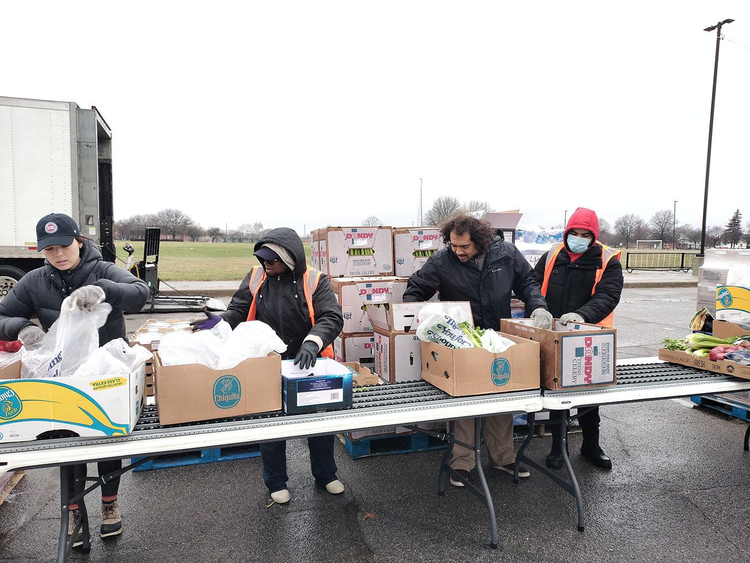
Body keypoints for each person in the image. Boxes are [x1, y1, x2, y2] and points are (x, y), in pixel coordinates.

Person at [0, 213, 149, 546]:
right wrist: (21, 328)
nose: (58, 254)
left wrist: (103, 291)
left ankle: (109, 504)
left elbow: (140, 292)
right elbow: (3, 314)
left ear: (79, 241)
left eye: (64, 245)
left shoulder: (102, 269)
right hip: (64, 378)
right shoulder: (36, 281)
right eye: (49, 249)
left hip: (106, 375)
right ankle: (74, 511)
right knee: (68, 444)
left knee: (107, 440)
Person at [191, 227, 344, 504]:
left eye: (271, 261)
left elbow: (331, 316)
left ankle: (326, 474)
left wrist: (313, 342)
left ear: (289, 260)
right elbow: (239, 309)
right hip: (266, 362)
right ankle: (275, 481)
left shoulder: (315, 280)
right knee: (270, 423)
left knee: (319, 420)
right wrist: (221, 320)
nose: (266, 265)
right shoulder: (256, 276)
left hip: (307, 360)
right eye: (263, 260)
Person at [403, 213, 552, 487]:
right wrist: (416, 316)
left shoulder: (505, 254)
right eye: (453, 245)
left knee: (501, 392)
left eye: (464, 247)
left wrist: (538, 305)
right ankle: (462, 463)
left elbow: (528, 281)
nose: (458, 251)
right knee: (465, 400)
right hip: (461, 341)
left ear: (480, 242)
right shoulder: (442, 260)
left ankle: (503, 457)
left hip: (498, 337)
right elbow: (416, 289)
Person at [532, 207, 623, 470]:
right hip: (553, 334)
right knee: (555, 388)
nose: (579, 238)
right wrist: (537, 306)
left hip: (589, 335)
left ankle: (590, 445)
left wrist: (583, 315)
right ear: (567, 232)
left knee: (589, 394)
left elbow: (608, 295)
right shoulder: (553, 254)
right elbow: (534, 283)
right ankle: (557, 447)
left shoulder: (607, 260)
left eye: (586, 234)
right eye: (575, 233)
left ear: (594, 236)